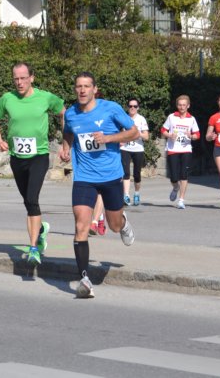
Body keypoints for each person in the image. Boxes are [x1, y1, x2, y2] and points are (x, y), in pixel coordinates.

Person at [59, 72, 137, 298]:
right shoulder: (71, 114)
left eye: (86, 86)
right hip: (84, 178)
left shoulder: (110, 109)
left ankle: (123, 223)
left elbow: (134, 132)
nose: (82, 90)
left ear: (94, 89)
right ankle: (84, 279)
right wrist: (66, 148)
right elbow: (68, 132)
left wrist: (108, 138)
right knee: (81, 226)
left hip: (111, 176)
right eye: (78, 86)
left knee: (113, 225)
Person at [0, 62, 65, 265]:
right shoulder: (8, 98)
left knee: (32, 199)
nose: (19, 82)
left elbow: (64, 113)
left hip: (39, 156)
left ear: (32, 77)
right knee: (28, 202)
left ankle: (33, 249)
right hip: (17, 158)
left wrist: (66, 143)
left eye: (23, 78)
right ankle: (41, 230)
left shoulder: (45, 97)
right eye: (16, 79)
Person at [161, 95, 200, 209]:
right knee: (173, 177)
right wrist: (169, 135)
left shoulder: (191, 119)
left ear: (188, 106)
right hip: (173, 149)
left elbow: (197, 135)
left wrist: (191, 136)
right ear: (177, 106)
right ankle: (175, 187)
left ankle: (181, 200)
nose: (182, 107)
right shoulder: (171, 117)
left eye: (184, 105)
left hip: (186, 149)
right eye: (180, 105)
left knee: (184, 174)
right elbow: (163, 130)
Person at [121, 97, 150, 206]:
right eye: (130, 106)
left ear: (138, 108)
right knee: (126, 173)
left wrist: (137, 133)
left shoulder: (141, 119)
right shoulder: (123, 118)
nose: (132, 108)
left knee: (137, 174)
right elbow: (119, 133)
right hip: (125, 148)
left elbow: (146, 137)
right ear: (127, 107)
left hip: (138, 149)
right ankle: (126, 195)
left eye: (135, 106)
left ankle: (137, 193)